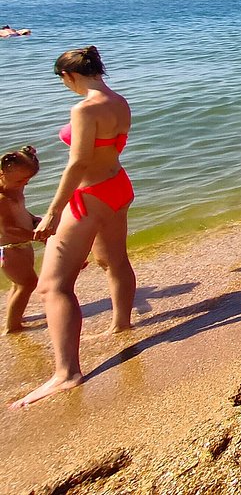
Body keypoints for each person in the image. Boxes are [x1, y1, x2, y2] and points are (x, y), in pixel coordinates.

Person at [12, 47, 136, 408]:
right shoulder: (119, 100)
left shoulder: (83, 108)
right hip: (118, 185)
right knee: (114, 260)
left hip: (90, 196)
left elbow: (79, 162)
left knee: (52, 287)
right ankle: (120, 325)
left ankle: (67, 374)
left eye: (63, 81)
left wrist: (52, 211)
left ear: (69, 76)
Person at [1, 146, 40, 333]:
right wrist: (35, 236)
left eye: (27, 180)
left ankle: (15, 316)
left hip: (20, 246)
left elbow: (20, 212)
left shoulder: (14, 189)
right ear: (2, 174)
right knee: (28, 283)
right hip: (9, 248)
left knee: (19, 284)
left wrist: (33, 220)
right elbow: (7, 228)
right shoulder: (2, 198)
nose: (24, 184)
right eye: (20, 181)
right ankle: (12, 326)